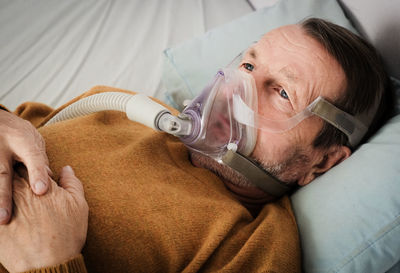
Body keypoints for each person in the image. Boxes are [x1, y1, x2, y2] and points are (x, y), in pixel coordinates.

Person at [0, 18, 390, 272]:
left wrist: (47, 263)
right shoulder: (123, 106)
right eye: (249, 66)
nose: (237, 89)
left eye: (282, 93)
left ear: (321, 163)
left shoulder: (254, 250)